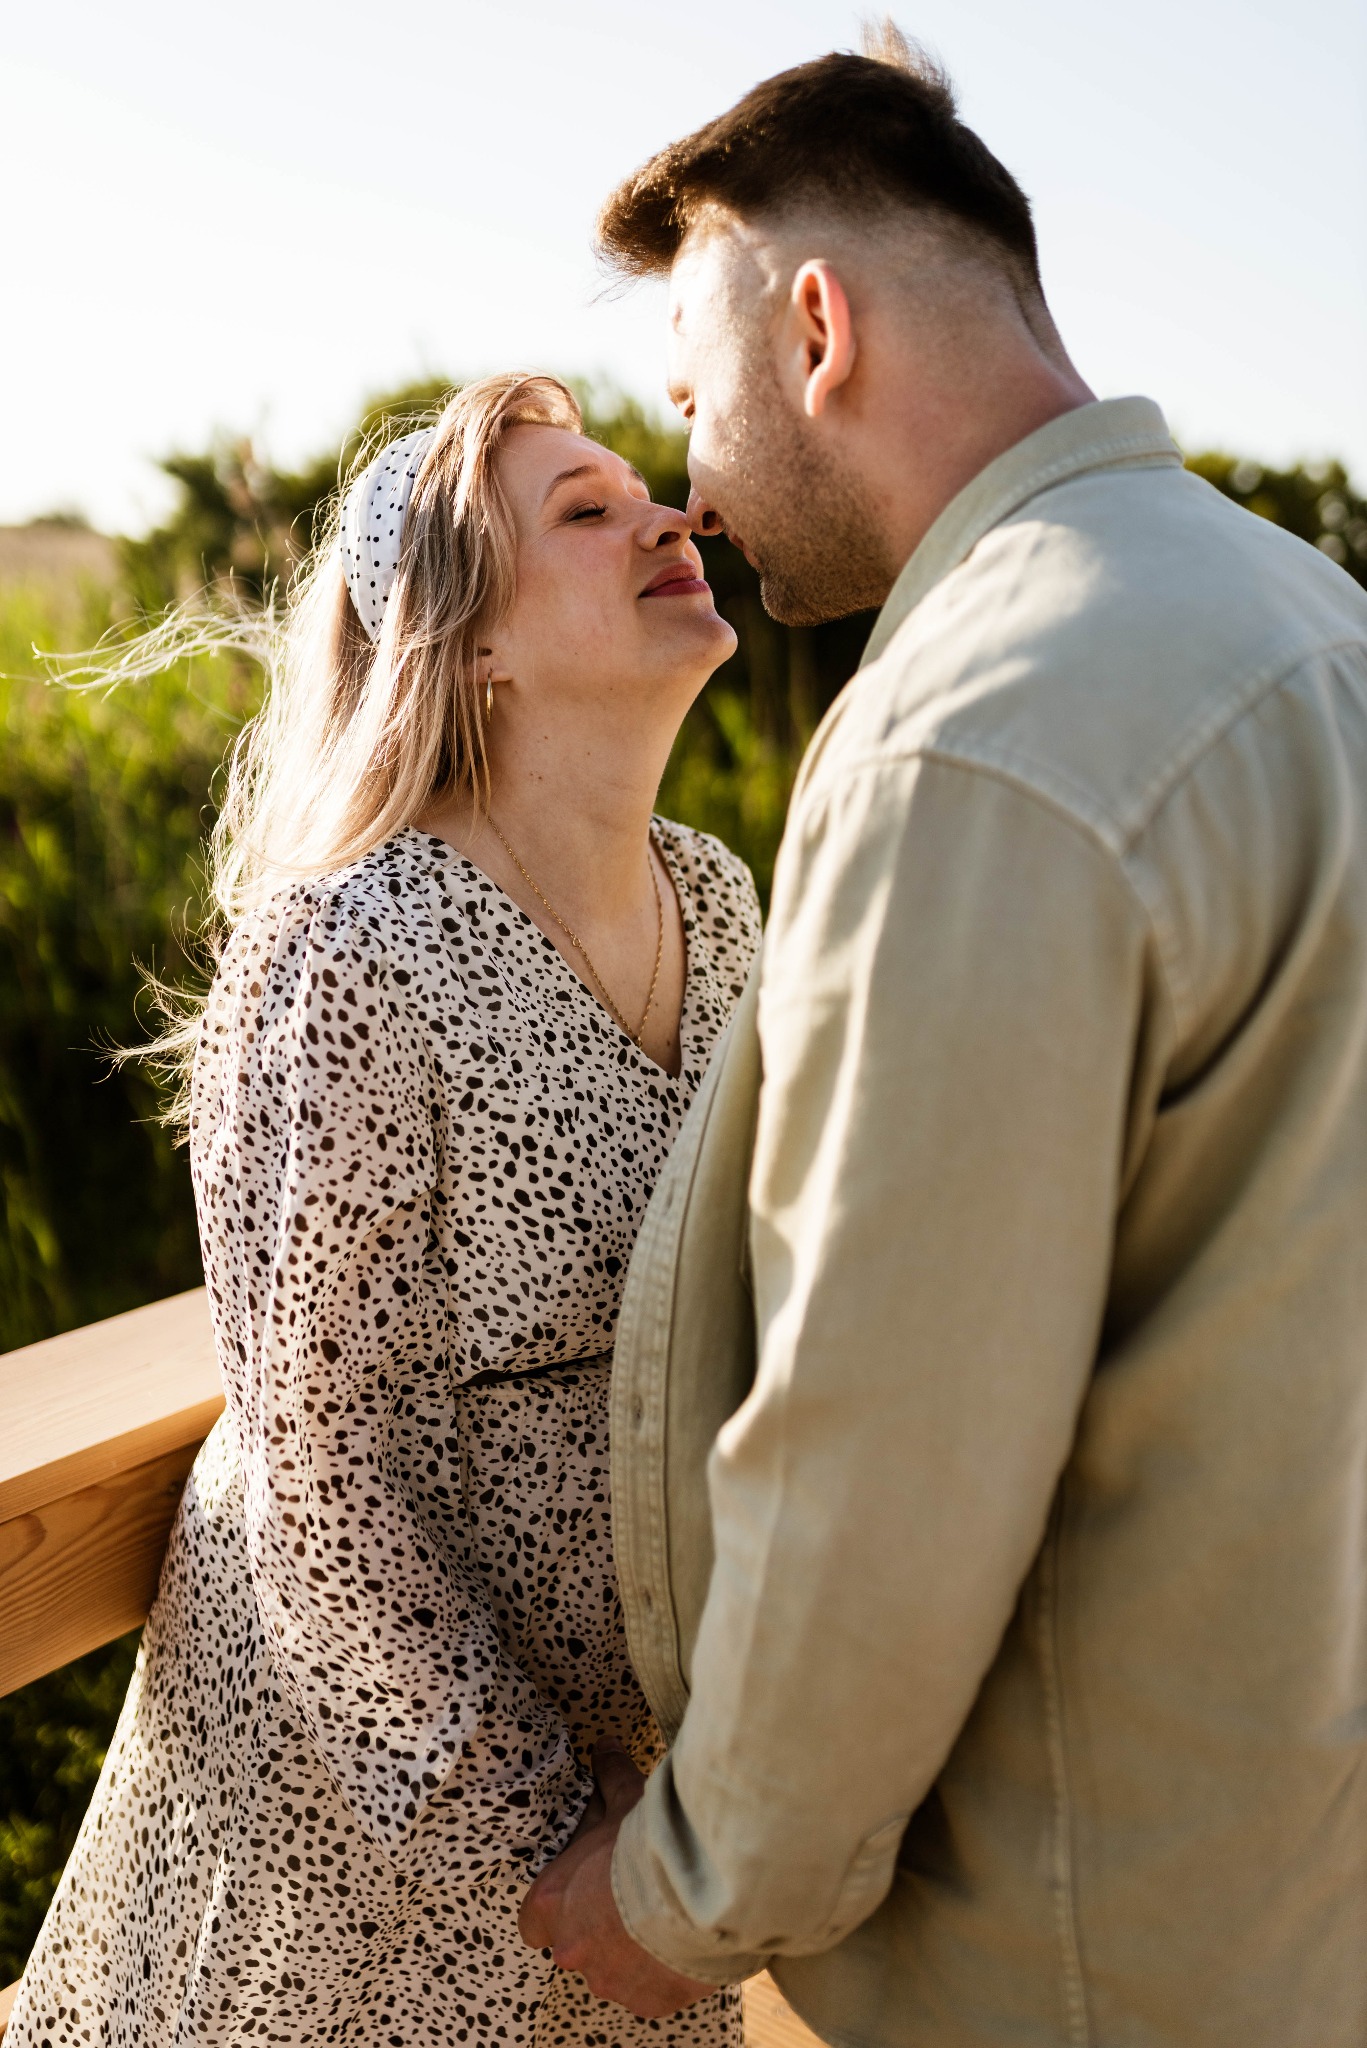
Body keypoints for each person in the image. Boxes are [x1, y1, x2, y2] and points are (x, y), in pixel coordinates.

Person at [522, 31, 1367, 2047]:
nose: (695, 491)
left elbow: (885, 1444)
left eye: (692, 402)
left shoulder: (975, 736)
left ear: (817, 332)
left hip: (1081, 1962)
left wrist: (692, 1887)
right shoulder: (1315, 625)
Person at [7, 372, 760, 2048]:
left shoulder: (718, 900)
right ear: (469, 642)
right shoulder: (349, 950)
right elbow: (319, 1477)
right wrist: (546, 1840)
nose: (669, 515)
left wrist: (713, 1803)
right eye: (585, 510)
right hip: (368, 1851)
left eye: (642, 486)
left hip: (643, 1826)